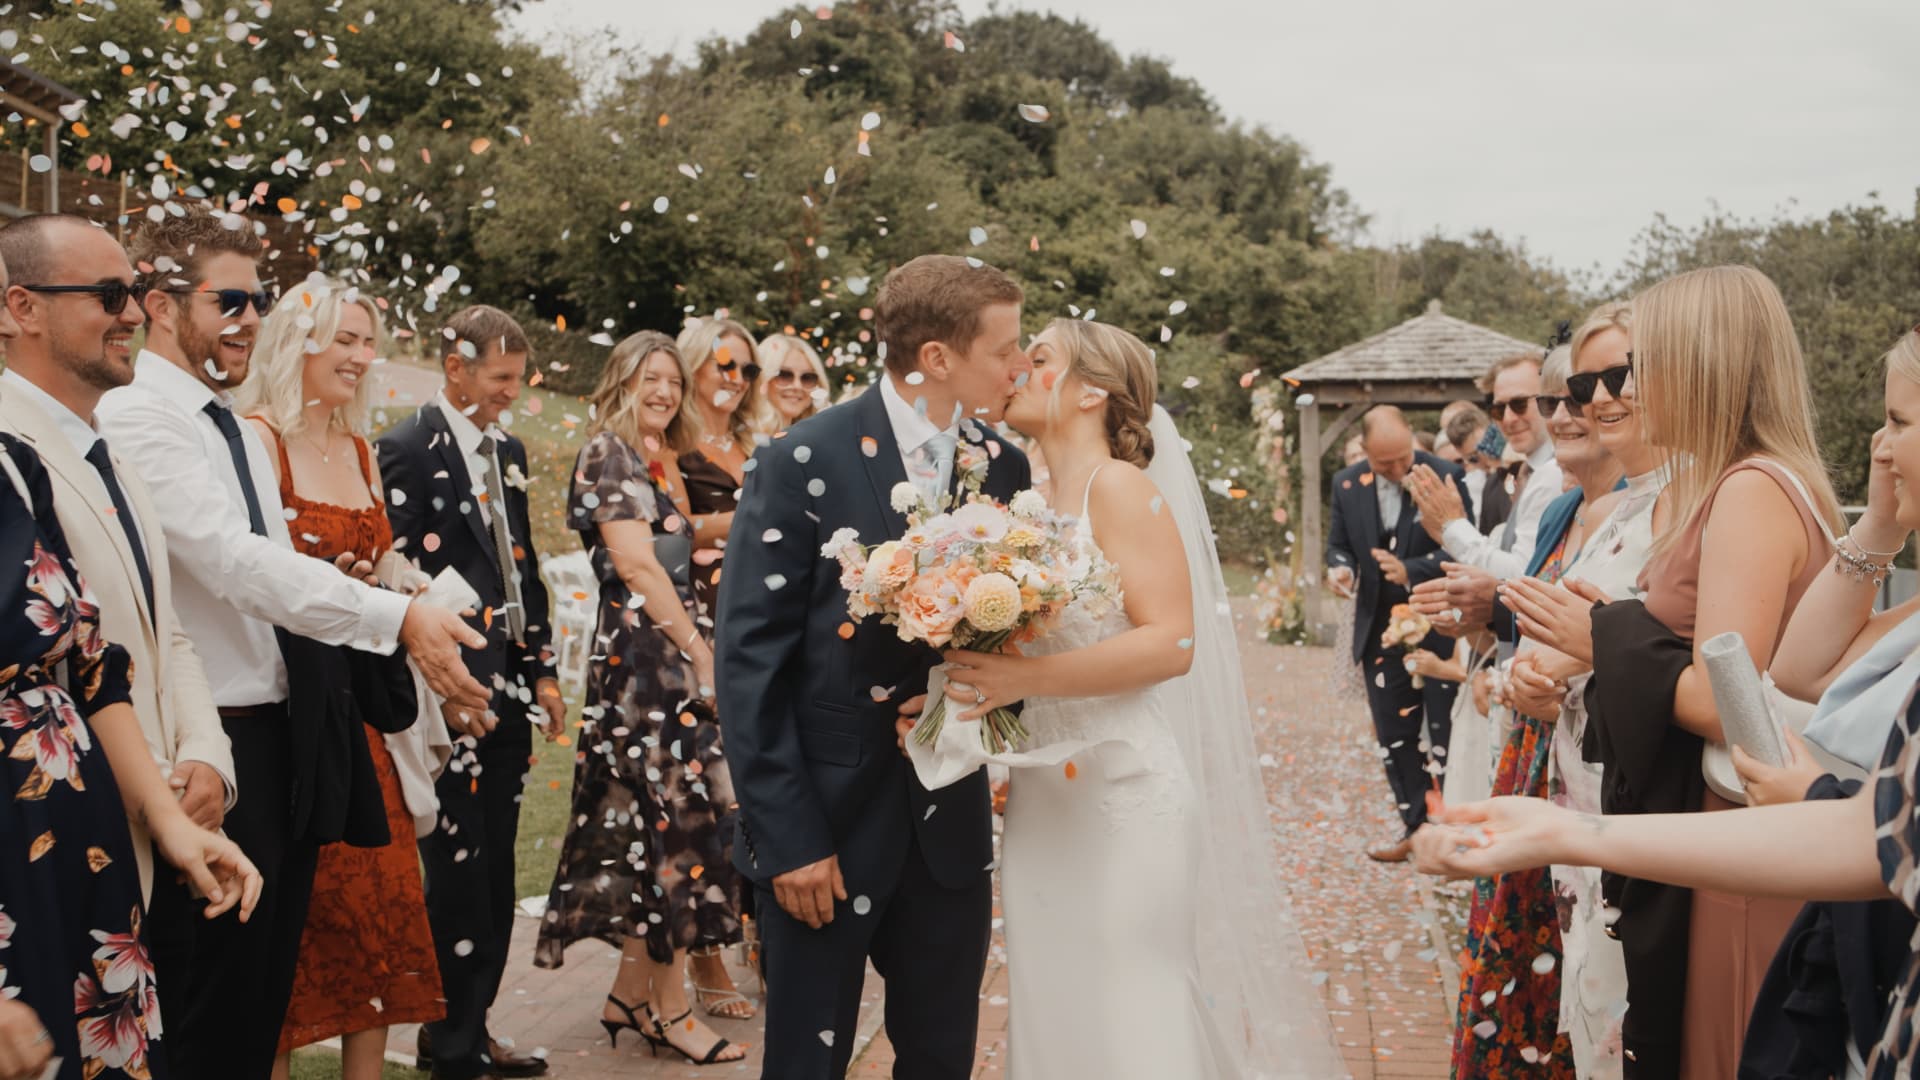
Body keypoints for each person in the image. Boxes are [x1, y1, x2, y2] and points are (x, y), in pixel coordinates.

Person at [86, 207, 487, 1079]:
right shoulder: (141, 417)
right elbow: (232, 562)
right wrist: (396, 619)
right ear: (162, 305)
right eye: (229, 300)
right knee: (206, 1011)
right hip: (207, 750)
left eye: (259, 300)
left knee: (256, 999)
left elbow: (268, 566)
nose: (252, 319)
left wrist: (357, 588)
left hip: (282, 736)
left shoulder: (225, 424)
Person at [909, 317, 1343, 1077]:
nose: (1017, 370)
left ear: (1091, 394)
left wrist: (1019, 681)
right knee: (1055, 1003)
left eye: (1039, 358)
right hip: (1046, 797)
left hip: (1124, 796)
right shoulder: (1025, 505)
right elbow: (1025, 654)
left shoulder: (1118, 487)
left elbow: (1172, 642)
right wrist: (958, 707)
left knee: (1133, 1008)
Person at [1502, 266, 1842, 1076]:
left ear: (1703, 362)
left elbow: (1731, 705)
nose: (1626, 390)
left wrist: (1602, 642)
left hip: (1735, 831)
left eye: (1644, 365)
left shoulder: (1750, 489)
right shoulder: (1743, 481)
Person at [716, 254, 1031, 1079]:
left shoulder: (1004, 467)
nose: (1020, 367)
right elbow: (748, 664)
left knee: (940, 1060)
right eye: (1005, 349)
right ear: (937, 357)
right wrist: (788, 840)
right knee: (806, 1063)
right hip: (824, 825)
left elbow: (1015, 643)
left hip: (947, 825)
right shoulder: (799, 461)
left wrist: (972, 706)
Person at [0, 241, 261, 1080]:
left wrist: (201, 767)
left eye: (138, 291)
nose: (135, 312)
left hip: (124, 840)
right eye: (110, 293)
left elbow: (139, 638)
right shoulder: (16, 443)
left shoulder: (90, 451)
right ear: (22, 307)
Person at [233, 279, 445, 1080]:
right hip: (290, 714)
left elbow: (380, 562)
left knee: (377, 917)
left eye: (368, 341)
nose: (361, 356)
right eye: (345, 339)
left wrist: (403, 585)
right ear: (298, 341)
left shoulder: (361, 449)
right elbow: (249, 574)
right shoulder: (258, 440)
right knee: (294, 929)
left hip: (361, 717)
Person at [532, 330, 747, 1066]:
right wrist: (701, 653)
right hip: (647, 667)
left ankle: (629, 995)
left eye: (673, 381)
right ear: (621, 381)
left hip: (669, 659)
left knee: (653, 826)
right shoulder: (608, 453)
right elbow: (638, 566)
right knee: (676, 826)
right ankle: (672, 1009)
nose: (664, 391)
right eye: (649, 378)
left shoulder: (659, 459)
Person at [375, 305, 564, 1080]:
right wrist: (448, 683)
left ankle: (471, 1026)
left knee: (495, 870)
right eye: (500, 378)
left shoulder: (507, 448)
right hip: (449, 688)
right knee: (456, 871)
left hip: (511, 687)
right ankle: (452, 1044)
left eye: (518, 380)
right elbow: (398, 574)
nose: (511, 394)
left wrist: (543, 669)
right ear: (455, 366)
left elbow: (523, 566)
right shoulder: (404, 447)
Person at [1440, 340, 1623, 1078]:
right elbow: (1538, 622)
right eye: (1553, 400)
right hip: (1531, 751)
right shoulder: (1565, 507)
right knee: (1521, 967)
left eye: (1581, 396)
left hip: (1586, 769)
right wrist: (1495, 636)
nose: (1564, 413)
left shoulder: (1626, 508)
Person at [1325, 405, 1471, 861]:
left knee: (1446, 729)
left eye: (1403, 458)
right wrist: (1341, 570)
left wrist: (1410, 569)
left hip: (1441, 624)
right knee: (1394, 733)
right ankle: (1415, 827)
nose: (1396, 470)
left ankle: (1453, 828)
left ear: (1411, 437)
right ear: (1365, 451)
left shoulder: (1446, 474)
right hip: (1380, 630)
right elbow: (1338, 546)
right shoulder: (1346, 484)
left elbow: (1467, 550)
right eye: (1384, 463)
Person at [1414, 353, 1563, 579]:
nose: (1508, 419)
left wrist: (1453, 525)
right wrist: (1451, 529)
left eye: (1520, 404)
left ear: (1550, 400)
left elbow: (1522, 574)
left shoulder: (1556, 471)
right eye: (1498, 410)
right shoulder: (1526, 471)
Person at [675, 317, 760, 619]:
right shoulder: (671, 446)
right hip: (700, 607)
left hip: (760, 603)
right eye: (725, 365)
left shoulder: (757, 446)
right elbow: (676, 530)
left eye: (748, 371)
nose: (737, 380)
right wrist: (761, 516)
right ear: (692, 366)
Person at [752, 332, 831, 433]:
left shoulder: (817, 438)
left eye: (807, 378)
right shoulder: (741, 437)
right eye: (784, 375)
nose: (797, 386)